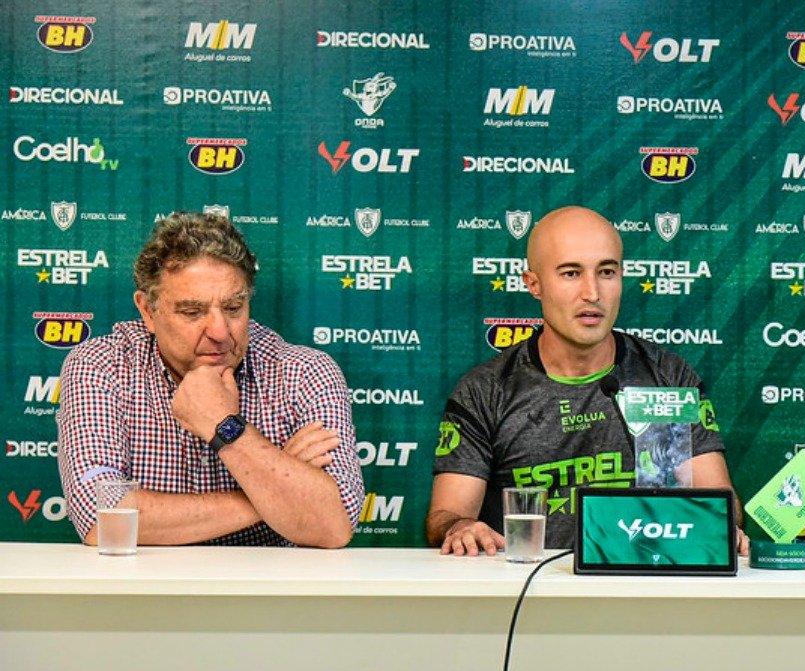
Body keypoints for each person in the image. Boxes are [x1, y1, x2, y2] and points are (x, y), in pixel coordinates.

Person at [427, 206, 748, 556]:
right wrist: (460, 528)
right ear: (533, 284)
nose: (592, 292)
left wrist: (720, 523)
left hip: (647, 584)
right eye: (570, 273)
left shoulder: (667, 378)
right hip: (531, 593)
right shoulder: (486, 391)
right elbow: (447, 516)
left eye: (607, 272)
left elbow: (719, 499)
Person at [57, 212, 364, 548]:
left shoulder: (306, 372)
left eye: (233, 308)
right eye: (192, 312)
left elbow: (334, 526)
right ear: (147, 311)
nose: (220, 332)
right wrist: (276, 488)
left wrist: (225, 426)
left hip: (268, 595)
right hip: (145, 594)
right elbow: (101, 518)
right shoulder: (102, 366)